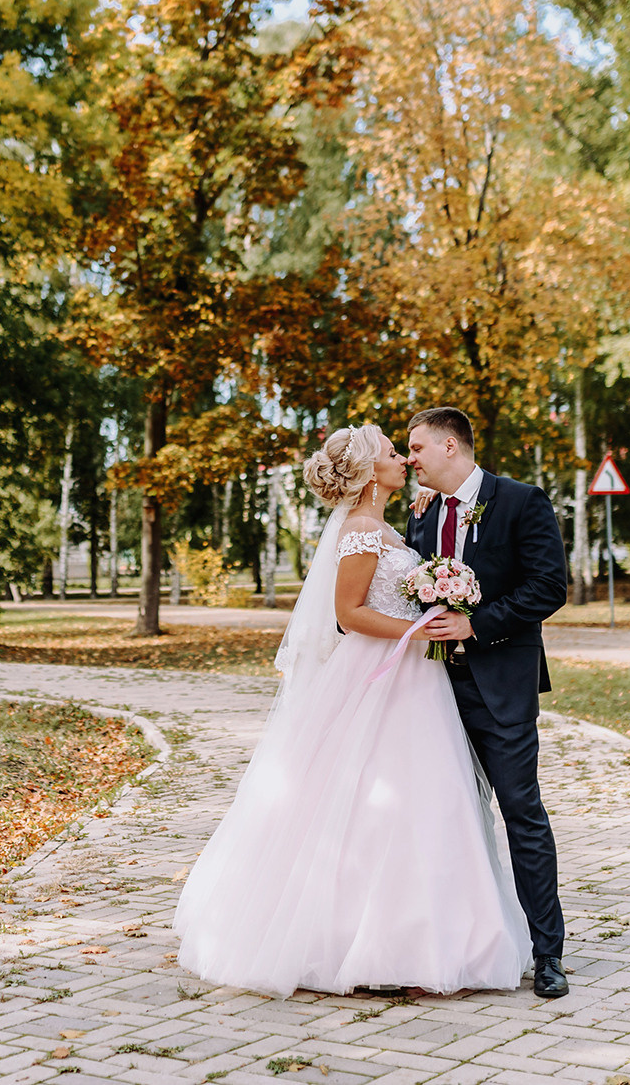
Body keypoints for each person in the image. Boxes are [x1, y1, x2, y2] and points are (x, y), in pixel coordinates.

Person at [174, 423, 532, 999]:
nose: (403, 460)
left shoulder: (386, 525)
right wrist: (422, 631)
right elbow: (348, 614)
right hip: (381, 673)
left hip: (415, 678)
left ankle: (419, 938)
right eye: (395, 453)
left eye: (407, 451)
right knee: (372, 803)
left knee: (422, 805)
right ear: (369, 472)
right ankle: (358, 943)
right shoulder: (361, 531)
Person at [405, 406, 571, 997]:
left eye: (418, 447)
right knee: (441, 819)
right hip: (429, 693)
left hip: (500, 685)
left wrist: (478, 625)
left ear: (451, 446)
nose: (410, 459)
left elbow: (550, 586)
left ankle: (548, 954)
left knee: (521, 814)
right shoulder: (419, 515)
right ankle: (454, 945)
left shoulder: (522, 501)